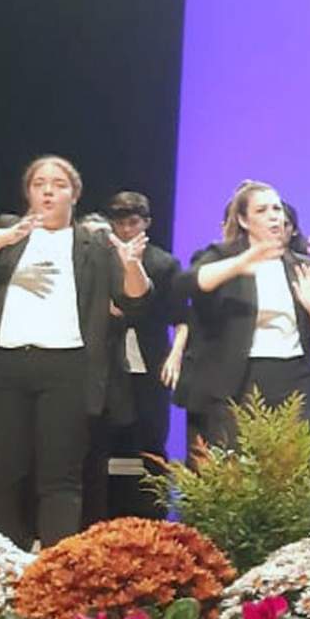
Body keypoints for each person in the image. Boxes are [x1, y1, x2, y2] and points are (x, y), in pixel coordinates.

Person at [0, 155, 151, 548]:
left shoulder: (93, 242)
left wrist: (131, 265)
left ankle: (57, 575)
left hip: (67, 368)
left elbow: (134, 300)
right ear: (28, 192)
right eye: (39, 183)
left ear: (74, 194)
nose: (48, 190)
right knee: (4, 473)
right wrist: (10, 236)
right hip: (8, 365)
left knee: (60, 478)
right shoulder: (6, 231)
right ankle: (5, 570)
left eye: (58, 184)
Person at [176, 180, 310, 446]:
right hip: (240, 379)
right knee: (239, 474)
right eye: (262, 210)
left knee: (289, 472)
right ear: (244, 220)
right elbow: (188, 283)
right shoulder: (221, 257)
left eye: (277, 208)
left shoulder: (301, 266)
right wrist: (242, 262)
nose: (274, 215)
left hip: (295, 378)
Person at [81, 191, 183, 522]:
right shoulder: (98, 258)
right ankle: (97, 520)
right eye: (120, 223)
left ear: (147, 224)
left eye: (133, 222)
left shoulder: (163, 263)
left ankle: (153, 522)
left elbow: (180, 315)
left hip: (148, 364)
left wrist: (175, 356)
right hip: (104, 364)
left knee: (151, 446)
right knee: (95, 444)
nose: (126, 230)